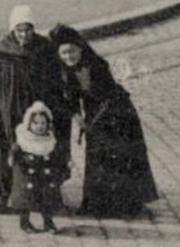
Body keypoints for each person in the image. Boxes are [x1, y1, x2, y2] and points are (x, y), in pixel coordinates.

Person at [50, 24, 160, 218]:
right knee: (98, 158)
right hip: (96, 115)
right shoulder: (65, 71)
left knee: (120, 156)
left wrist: (89, 116)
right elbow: (72, 98)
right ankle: (99, 204)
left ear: (80, 48)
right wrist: (77, 116)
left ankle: (127, 204)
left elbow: (105, 94)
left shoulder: (97, 65)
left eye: (72, 51)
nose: (69, 57)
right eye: (64, 53)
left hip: (119, 114)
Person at [0, 5, 65, 213]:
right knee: (7, 147)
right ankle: (2, 193)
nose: (24, 35)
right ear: (12, 30)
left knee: (42, 146)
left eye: (28, 29)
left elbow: (54, 79)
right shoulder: (1, 51)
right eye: (19, 30)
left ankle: (47, 194)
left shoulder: (44, 49)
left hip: (37, 106)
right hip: (9, 107)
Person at [9, 102, 68, 234]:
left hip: (44, 175)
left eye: (43, 123)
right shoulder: (24, 140)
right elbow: (15, 151)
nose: (40, 127)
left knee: (46, 197)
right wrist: (13, 158)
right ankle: (24, 222)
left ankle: (48, 221)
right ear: (29, 124)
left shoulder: (50, 140)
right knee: (26, 198)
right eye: (36, 123)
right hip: (27, 174)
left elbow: (56, 154)